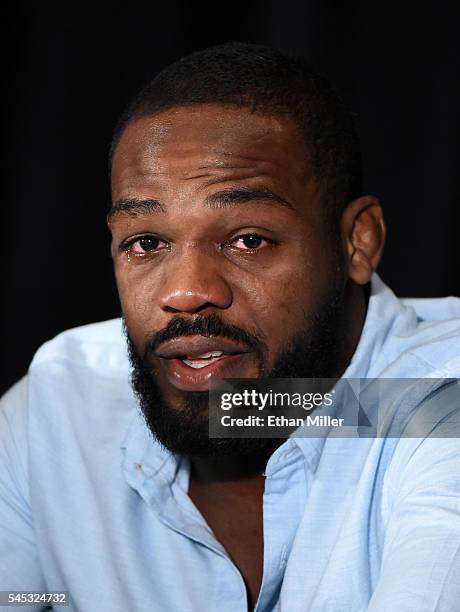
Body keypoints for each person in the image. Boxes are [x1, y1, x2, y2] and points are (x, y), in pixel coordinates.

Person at [0, 42, 459, 612]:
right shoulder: (63, 400)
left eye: (248, 240)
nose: (186, 291)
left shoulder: (440, 398)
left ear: (356, 242)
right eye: (147, 243)